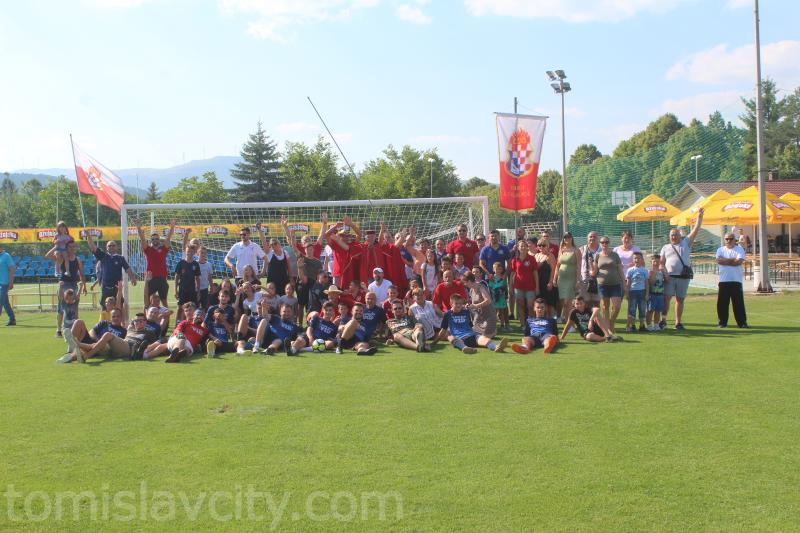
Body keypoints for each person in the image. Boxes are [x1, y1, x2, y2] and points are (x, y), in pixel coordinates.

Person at [660, 208, 704, 330]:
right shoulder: (665, 247)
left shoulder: (686, 243)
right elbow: (661, 263)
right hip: (669, 277)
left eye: (676, 235)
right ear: (669, 237)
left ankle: (678, 322)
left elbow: (696, 229)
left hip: (683, 277)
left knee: (680, 299)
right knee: (666, 298)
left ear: (680, 235)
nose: (674, 237)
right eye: (672, 235)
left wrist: (699, 218)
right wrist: (664, 273)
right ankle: (663, 320)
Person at [86, 234, 137, 319]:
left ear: (116, 247)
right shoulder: (103, 256)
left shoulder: (120, 258)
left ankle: (121, 324)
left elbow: (127, 268)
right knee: (104, 307)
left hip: (117, 288)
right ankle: (103, 323)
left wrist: (132, 278)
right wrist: (88, 236)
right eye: (109, 246)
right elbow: (93, 247)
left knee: (119, 306)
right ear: (107, 248)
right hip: (105, 287)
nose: (111, 247)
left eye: (113, 245)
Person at [436, 294, 507, 354]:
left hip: (472, 336)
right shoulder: (447, 314)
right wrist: (435, 342)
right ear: (451, 304)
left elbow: (471, 325)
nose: (459, 305)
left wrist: (469, 307)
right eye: (456, 303)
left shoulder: (466, 312)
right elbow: (443, 331)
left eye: (460, 303)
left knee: (485, 339)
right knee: (451, 337)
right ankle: (465, 348)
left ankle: (496, 347)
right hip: (460, 339)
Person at [46, 240, 86, 337]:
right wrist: (56, 246)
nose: (72, 249)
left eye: (73, 247)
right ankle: (59, 330)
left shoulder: (77, 259)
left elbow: (81, 273)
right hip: (64, 284)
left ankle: (75, 328)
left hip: (73, 284)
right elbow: (48, 255)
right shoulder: (62, 258)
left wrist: (84, 286)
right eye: (70, 247)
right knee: (61, 308)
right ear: (66, 248)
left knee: (74, 307)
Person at [144, 304, 209, 363]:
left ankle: (145, 356)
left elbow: (209, 337)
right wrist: (181, 336)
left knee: (185, 350)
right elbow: (177, 331)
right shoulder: (185, 322)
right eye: (197, 315)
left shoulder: (204, 330)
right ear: (194, 315)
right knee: (179, 339)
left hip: (188, 346)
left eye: (201, 316)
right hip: (178, 339)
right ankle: (173, 355)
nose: (199, 317)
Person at [135, 218, 176, 309]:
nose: (155, 240)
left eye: (157, 238)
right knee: (147, 301)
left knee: (164, 301)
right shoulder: (148, 249)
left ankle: (166, 317)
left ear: (159, 240)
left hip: (162, 278)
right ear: (151, 240)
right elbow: (142, 239)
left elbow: (168, 238)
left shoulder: (163, 249)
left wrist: (172, 227)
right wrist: (138, 227)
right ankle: (147, 317)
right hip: (150, 278)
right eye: (153, 239)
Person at [61, 308, 128, 363]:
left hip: (103, 349)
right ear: (110, 318)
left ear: (121, 317)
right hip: (93, 341)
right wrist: (96, 339)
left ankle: (76, 346)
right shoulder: (104, 323)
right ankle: (71, 347)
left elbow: (118, 345)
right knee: (79, 322)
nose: (116, 318)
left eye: (118, 316)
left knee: (91, 347)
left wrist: (100, 343)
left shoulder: (124, 331)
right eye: (113, 316)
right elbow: (92, 331)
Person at [592, 236, 624, 334]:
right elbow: (595, 272)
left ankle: (611, 322)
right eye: (602, 242)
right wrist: (591, 268)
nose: (604, 244)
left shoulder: (615, 255)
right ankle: (608, 330)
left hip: (615, 284)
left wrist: (624, 282)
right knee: (605, 307)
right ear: (600, 244)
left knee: (617, 306)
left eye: (606, 242)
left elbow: (620, 270)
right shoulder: (597, 256)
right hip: (602, 285)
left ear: (609, 243)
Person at [716, 232, 748, 328]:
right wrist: (732, 259)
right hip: (723, 281)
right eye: (727, 239)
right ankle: (722, 323)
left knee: (738, 303)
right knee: (722, 303)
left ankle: (742, 323)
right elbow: (719, 261)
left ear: (735, 240)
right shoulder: (720, 250)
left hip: (736, 280)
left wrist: (725, 260)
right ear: (724, 240)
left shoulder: (739, 249)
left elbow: (738, 262)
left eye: (731, 239)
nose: (729, 241)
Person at [325, 216, 362, 289]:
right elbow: (326, 235)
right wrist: (335, 226)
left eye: (347, 236)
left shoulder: (352, 245)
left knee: (350, 292)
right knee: (336, 292)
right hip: (338, 274)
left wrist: (351, 224)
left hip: (350, 273)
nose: (345, 237)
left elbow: (359, 235)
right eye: (342, 236)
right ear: (339, 236)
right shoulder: (335, 245)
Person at [553, 232, 581, 323]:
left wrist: (578, 280)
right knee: (562, 300)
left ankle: (569, 322)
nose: (567, 239)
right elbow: (557, 265)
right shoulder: (561, 249)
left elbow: (579, 266)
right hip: (561, 279)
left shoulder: (576, 250)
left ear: (572, 238)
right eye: (565, 237)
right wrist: (554, 278)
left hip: (571, 279)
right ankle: (564, 317)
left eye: (568, 237)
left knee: (568, 301)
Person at [461, 272, 497, 339]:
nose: (464, 285)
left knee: (482, 338)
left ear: (469, 281)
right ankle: (492, 333)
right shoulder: (471, 290)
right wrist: (468, 305)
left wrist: (476, 306)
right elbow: (473, 303)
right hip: (478, 319)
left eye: (465, 282)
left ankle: (491, 333)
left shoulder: (481, 287)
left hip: (488, 317)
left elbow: (488, 300)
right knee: (471, 336)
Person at [174, 243, 200, 322]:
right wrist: (175, 290)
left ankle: (191, 324)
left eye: (191, 252)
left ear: (194, 252)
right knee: (180, 307)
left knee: (192, 308)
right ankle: (178, 324)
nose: (189, 253)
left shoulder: (195, 264)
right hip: (182, 289)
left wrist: (198, 291)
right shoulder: (181, 263)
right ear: (185, 251)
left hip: (192, 290)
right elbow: (176, 277)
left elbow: (197, 278)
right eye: (188, 251)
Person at [625, 251, 649, 333]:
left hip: (642, 291)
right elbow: (628, 283)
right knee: (632, 309)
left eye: (639, 258)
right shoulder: (630, 270)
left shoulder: (645, 270)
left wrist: (647, 294)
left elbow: (646, 283)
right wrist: (627, 293)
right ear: (633, 259)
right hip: (633, 292)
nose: (637, 260)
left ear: (642, 259)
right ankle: (632, 325)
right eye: (635, 258)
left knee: (642, 308)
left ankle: (642, 325)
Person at [533, 239, 556, 318]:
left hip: (547, 282)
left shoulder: (550, 256)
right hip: (538, 282)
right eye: (539, 245)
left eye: (543, 245)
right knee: (539, 302)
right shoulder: (536, 255)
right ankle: (540, 319)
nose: (541, 247)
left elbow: (553, 270)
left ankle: (550, 319)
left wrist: (551, 282)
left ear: (548, 246)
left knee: (549, 303)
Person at [578, 232, 602, 308]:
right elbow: (577, 264)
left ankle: (596, 315)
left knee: (596, 302)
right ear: (587, 238)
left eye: (594, 236)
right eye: (590, 237)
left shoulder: (601, 250)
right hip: (584, 279)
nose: (592, 238)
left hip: (598, 279)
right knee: (586, 301)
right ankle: (588, 315)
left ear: (597, 238)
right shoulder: (581, 249)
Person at [646, 254, 667, 331]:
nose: (656, 263)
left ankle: (656, 325)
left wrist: (664, 273)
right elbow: (650, 282)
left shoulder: (661, 271)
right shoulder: (649, 271)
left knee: (658, 311)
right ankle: (649, 325)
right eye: (654, 261)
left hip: (660, 294)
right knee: (650, 310)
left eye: (658, 261)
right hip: (652, 294)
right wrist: (653, 274)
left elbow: (667, 281)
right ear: (651, 262)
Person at [488, 262, 510, 331]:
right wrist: (495, 292)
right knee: (494, 312)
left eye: (500, 269)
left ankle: (503, 325)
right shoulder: (492, 278)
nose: (498, 270)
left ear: (502, 270)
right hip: (494, 298)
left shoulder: (503, 278)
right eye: (496, 269)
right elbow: (490, 287)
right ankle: (494, 326)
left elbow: (505, 287)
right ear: (493, 269)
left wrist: (503, 292)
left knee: (502, 312)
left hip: (502, 298)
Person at [0, 242, 15, 326]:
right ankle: (12, 319)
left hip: (4, 283)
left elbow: (12, 269)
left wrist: (11, 282)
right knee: (5, 303)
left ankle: (12, 319)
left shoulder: (6, 256)